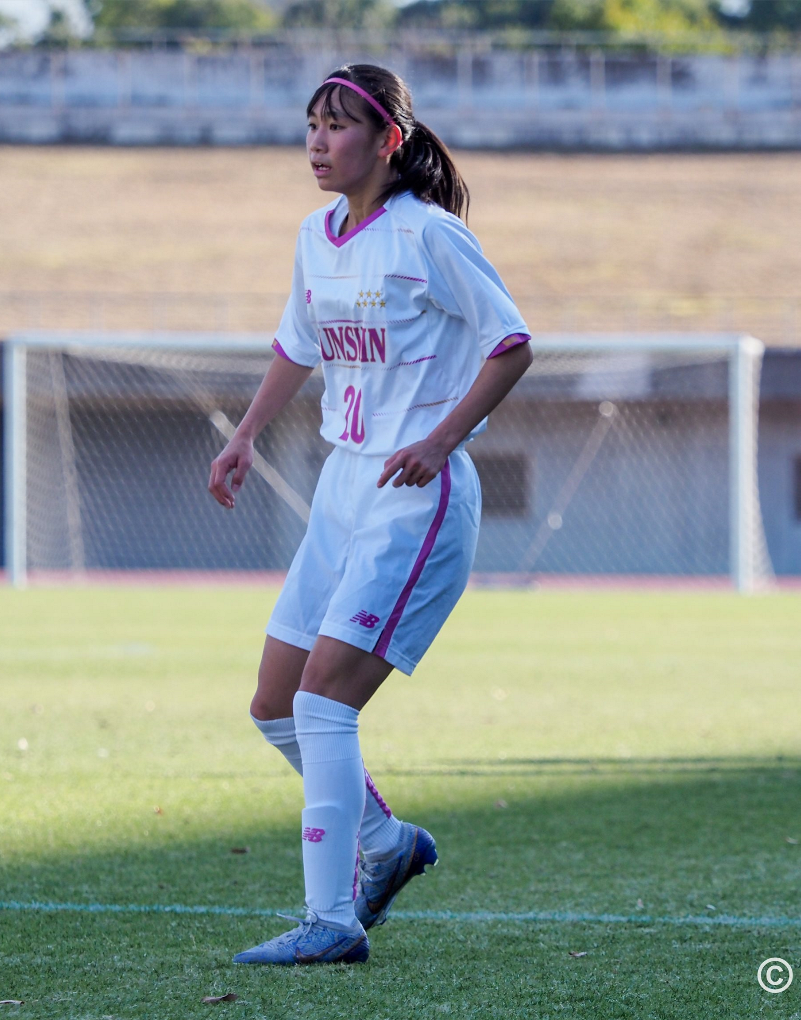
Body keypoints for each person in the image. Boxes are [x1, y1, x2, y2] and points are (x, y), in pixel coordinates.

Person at [207, 64, 532, 964]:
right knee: (275, 703)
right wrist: (245, 435)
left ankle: (332, 922)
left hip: (416, 497)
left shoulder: (430, 235)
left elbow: (511, 346)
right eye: (311, 123)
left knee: (322, 702)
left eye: (338, 125)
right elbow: (297, 345)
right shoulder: (316, 235)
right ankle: (386, 845)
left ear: (389, 139)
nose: (318, 141)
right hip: (341, 488)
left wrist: (441, 438)